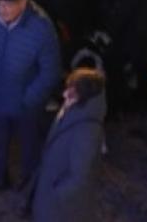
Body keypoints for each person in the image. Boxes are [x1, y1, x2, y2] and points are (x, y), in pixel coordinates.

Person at [0, 0, 62, 200]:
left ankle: (30, 184)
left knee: (29, 146)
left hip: (25, 104)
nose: (0, 10)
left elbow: (50, 70)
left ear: (22, 2)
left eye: (6, 5)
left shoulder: (41, 27)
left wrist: (29, 99)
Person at [27, 66, 106, 222]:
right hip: (51, 191)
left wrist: (55, 192)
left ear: (84, 98)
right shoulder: (74, 111)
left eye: (71, 93)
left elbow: (79, 177)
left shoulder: (86, 132)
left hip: (60, 206)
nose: (64, 95)